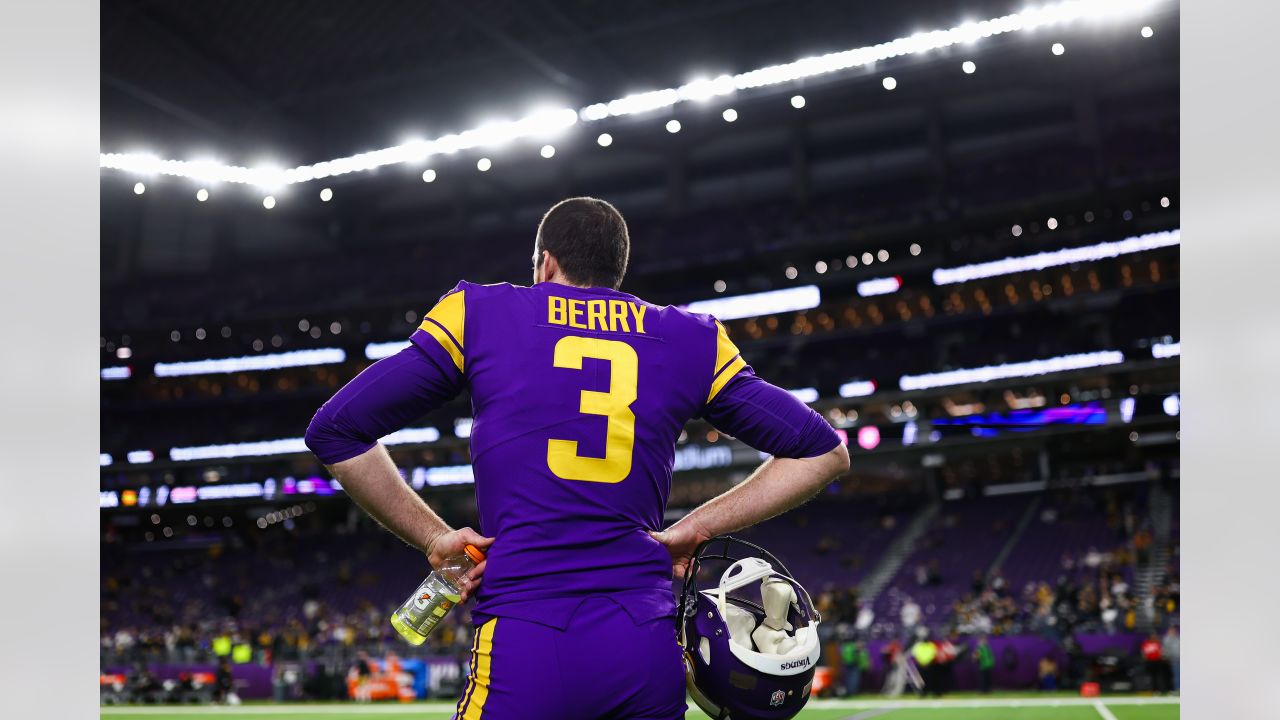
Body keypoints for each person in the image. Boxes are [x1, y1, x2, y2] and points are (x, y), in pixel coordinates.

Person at [305, 197, 851, 720]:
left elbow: (336, 430)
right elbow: (825, 452)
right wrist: (696, 528)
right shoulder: (691, 339)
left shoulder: (480, 312)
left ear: (545, 262)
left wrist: (432, 536)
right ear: (617, 271)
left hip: (525, 635)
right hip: (644, 643)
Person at [1163, 625, 1180, 693]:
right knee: (1176, 675)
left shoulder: (1178, 638)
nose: (1173, 632)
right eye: (1171, 630)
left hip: (1180, 659)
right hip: (1173, 659)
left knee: (1179, 674)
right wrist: (1167, 657)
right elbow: (1165, 650)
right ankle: (1177, 689)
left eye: (1174, 630)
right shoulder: (1167, 639)